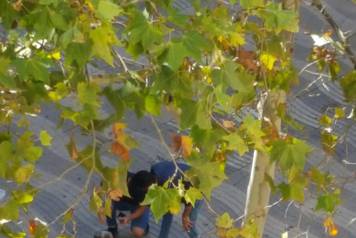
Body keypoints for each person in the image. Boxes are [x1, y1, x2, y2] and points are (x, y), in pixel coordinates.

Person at [150, 161, 202, 238]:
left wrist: (185, 216)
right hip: (176, 185)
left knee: (189, 221)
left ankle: (195, 236)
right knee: (167, 212)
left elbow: (190, 201)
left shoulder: (171, 183)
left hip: (196, 188)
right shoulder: (155, 169)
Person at [98, 170, 156, 238]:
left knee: (138, 232)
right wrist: (101, 211)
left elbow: (142, 208)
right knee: (109, 203)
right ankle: (112, 227)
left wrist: (129, 217)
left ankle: (144, 226)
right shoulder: (118, 179)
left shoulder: (150, 191)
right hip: (119, 201)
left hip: (137, 206)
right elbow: (101, 192)